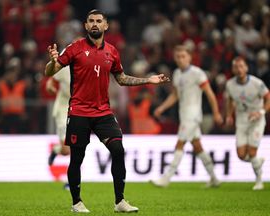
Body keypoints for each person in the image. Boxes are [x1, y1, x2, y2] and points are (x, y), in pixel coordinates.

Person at [45, 9, 169, 213]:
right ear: (86, 26)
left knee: (118, 150)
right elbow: (50, 71)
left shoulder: (111, 51)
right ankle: (76, 202)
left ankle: (120, 201)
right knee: (77, 158)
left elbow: (121, 79)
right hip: (79, 111)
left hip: (103, 112)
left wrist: (149, 79)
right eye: (91, 21)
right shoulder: (75, 48)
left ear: (105, 26)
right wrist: (52, 61)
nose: (94, 24)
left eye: (98, 21)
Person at [150, 45, 223, 188]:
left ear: (190, 57)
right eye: (178, 56)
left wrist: (216, 113)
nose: (180, 59)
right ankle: (214, 178)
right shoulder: (177, 73)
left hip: (193, 115)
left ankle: (166, 178)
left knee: (180, 143)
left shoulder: (197, 73)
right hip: (184, 115)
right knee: (197, 147)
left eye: (183, 56)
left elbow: (210, 94)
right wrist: (162, 107)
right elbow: (175, 95)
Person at [225, 57, 270, 190]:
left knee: (251, 152)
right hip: (241, 120)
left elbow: (268, 98)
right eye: (236, 67)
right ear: (233, 69)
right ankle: (257, 162)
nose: (239, 69)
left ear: (246, 68)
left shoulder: (257, 83)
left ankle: (259, 180)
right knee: (241, 155)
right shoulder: (230, 84)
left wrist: (261, 112)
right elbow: (230, 100)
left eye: (241, 66)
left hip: (256, 120)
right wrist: (229, 115)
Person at [46, 66, 71, 190]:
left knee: (78, 147)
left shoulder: (91, 67)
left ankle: (70, 181)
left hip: (79, 109)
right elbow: (51, 79)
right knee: (66, 150)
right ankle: (57, 149)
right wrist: (50, 87)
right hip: (63, 108)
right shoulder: (66, 66)